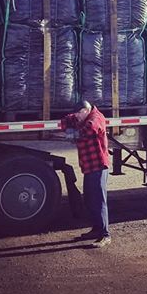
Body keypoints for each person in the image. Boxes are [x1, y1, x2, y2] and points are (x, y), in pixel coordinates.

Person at [61, 100, 111, 248]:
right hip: (89, 166)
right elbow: (65, 120)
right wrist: (69, 127)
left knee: (99, 201)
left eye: (78, 113)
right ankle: (96, 229)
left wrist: (73, 133)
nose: (76, 116)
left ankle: (105, 235)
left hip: (98, 165)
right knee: (89, 199)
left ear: (85, 110)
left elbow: (90, 130)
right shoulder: (82, 116)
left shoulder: (96, 118)